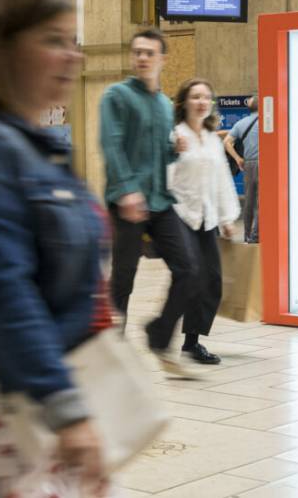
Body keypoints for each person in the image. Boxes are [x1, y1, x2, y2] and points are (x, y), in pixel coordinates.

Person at [0, 0, 108, 494]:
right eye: (53, 41)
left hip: (44, 393)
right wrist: (65, 410)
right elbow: (6, 289)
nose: (73, 57)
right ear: (1, 51)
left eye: (74, 42)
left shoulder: (38, 147)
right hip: (4, 412)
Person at [100, 27, 199, 376]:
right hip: (126, 199)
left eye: (149, 53)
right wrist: (127, 189)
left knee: (188, 268)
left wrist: (174, 151)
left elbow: (159, 157)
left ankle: (158, 336)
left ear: (162, 58)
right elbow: (111, 145)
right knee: (124, 277)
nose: (142, 57)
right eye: (137, 52)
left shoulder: (162, 103)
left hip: (158, 201)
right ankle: (111, 354)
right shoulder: (116, 96)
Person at [168, 79, 240, 364]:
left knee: (212, 280)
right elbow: (165, 175)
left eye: (206, 98)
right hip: (180, 216)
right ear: (184, 102)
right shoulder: (176, 135)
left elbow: (221, 179)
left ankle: (192, 342)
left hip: (207, 217)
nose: (201, 102)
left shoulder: (211, 139)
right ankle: (163, 332)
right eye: (195, 97)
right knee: (190, 275)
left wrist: (226, 217)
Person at [224, 95, 260, 243]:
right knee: (261, 201)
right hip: (264, 163)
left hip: (248, 164)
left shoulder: (241, 123)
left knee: (249, 201)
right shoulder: (267, 121)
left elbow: (226, 142)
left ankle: (247, 235)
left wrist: (238, 158)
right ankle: (256, 235)